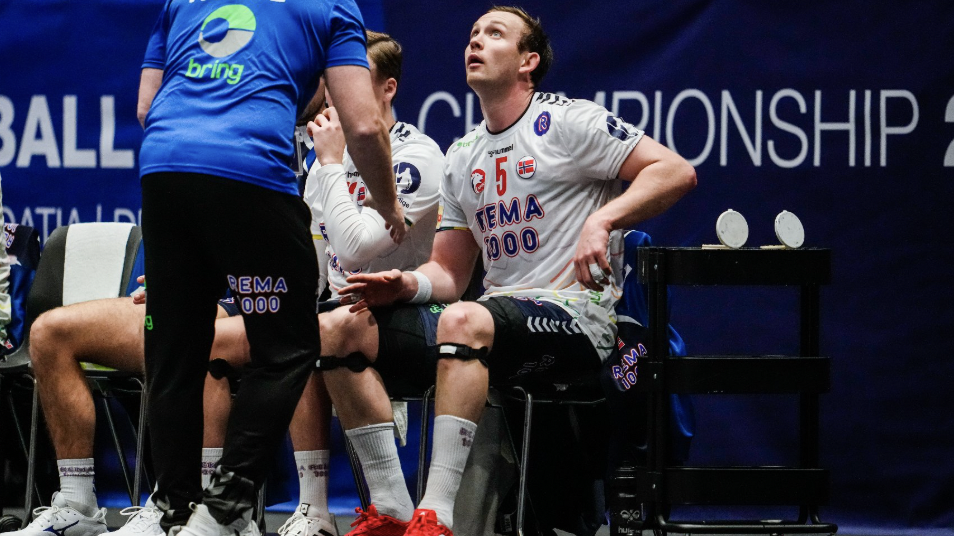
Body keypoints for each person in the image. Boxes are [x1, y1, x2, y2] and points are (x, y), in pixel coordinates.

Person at [321, 6, 697, 536]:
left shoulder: (569, 121)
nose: (475, 42)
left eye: (494, 34)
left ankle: (435, 516)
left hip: (580, 315)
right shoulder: (462, 154)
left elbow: (675, 170)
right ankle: (391, 507)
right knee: (337, 328)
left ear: (528, 61)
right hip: (495, 319)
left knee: (463, 320)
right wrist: (407, 284)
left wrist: (603, 220)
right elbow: (450, 273)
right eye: (473, 34)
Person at [136, 1, 404, 536]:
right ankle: (224, 507)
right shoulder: (330, 7)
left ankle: (175, 510)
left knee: (175, 352)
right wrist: (388, 203)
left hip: (164, 170)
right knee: (288, 347)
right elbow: (363, 125)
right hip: (250, 173)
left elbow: (147, 106)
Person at [201, 30, 442, 536]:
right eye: (331, 81)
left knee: (319, 328)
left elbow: (355, 250)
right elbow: (306, 273)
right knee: (220, 338)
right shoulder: (324, 165)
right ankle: (235, 510)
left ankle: (389, 507)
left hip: (407, 311)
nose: (334, 94)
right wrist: (213, 288)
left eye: (351, 79)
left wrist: (330, 162)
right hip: (335, 312)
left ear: (387, 89)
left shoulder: (416, 155)